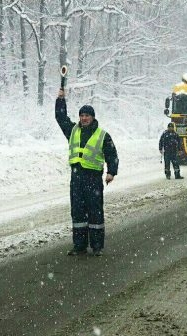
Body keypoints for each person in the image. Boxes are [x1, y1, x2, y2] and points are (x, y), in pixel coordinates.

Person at [55, 88, 119, 256]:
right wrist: (60, 99)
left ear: (92, 117)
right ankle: (79, 246)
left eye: (87, 115)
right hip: (76, 178)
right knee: (77, 213)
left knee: (95, 212)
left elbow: (112, 154)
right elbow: (60, 118)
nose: (84, 118)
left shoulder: (102, 135)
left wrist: (111, 172)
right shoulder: (73, 131)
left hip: (93, 179)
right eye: (82, 115)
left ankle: (97, 246)